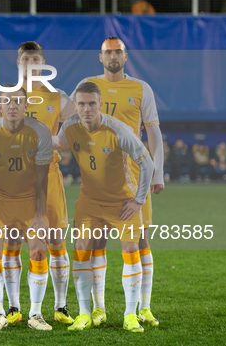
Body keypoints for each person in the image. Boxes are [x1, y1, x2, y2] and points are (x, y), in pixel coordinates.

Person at [71, 36, 164, 326]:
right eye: (108, 52)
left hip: (135, 176)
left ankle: (143, 307)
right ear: (100, 57)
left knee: (139, 240)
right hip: (98, 178)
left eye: (118, 52)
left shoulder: (140, 88)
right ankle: (97, 308)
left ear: (126, 56)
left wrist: (157, 172)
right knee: (95, 242)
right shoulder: (88, 84)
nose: (113, 56)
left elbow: (153, 131)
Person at [0, 41, 77, 324]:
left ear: (44, 63)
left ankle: (60, 307)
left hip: (47, 177)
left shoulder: (57, 96)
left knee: (55, 241)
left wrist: (55, 142)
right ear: (18, 63)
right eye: (26, 59)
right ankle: (13, 307)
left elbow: (75, 127)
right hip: (11, 180)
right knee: (12, 243)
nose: (31, 63)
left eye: (36, 59)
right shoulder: (5, 95)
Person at [56, 81, 154, 333]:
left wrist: (138, 201)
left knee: (131, 248)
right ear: (75, 106)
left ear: (100, 104)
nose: (86, 109)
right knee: (80, 248)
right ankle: (85, 313)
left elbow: (147, 165)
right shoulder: (70, 126)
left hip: (122, 201)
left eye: (91, 104)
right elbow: (55, 143)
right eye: (81, 104)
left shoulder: (118, 130)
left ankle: (130, 315)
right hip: (89, 202)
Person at [0, 87, 54, 331]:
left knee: (39, 250)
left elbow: (42, 178)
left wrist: (40, 216)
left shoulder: (40, 132)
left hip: (29, 201)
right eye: (6, 101)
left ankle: (36, 314)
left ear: (26, 105)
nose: (12, 105)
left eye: (18, 101)